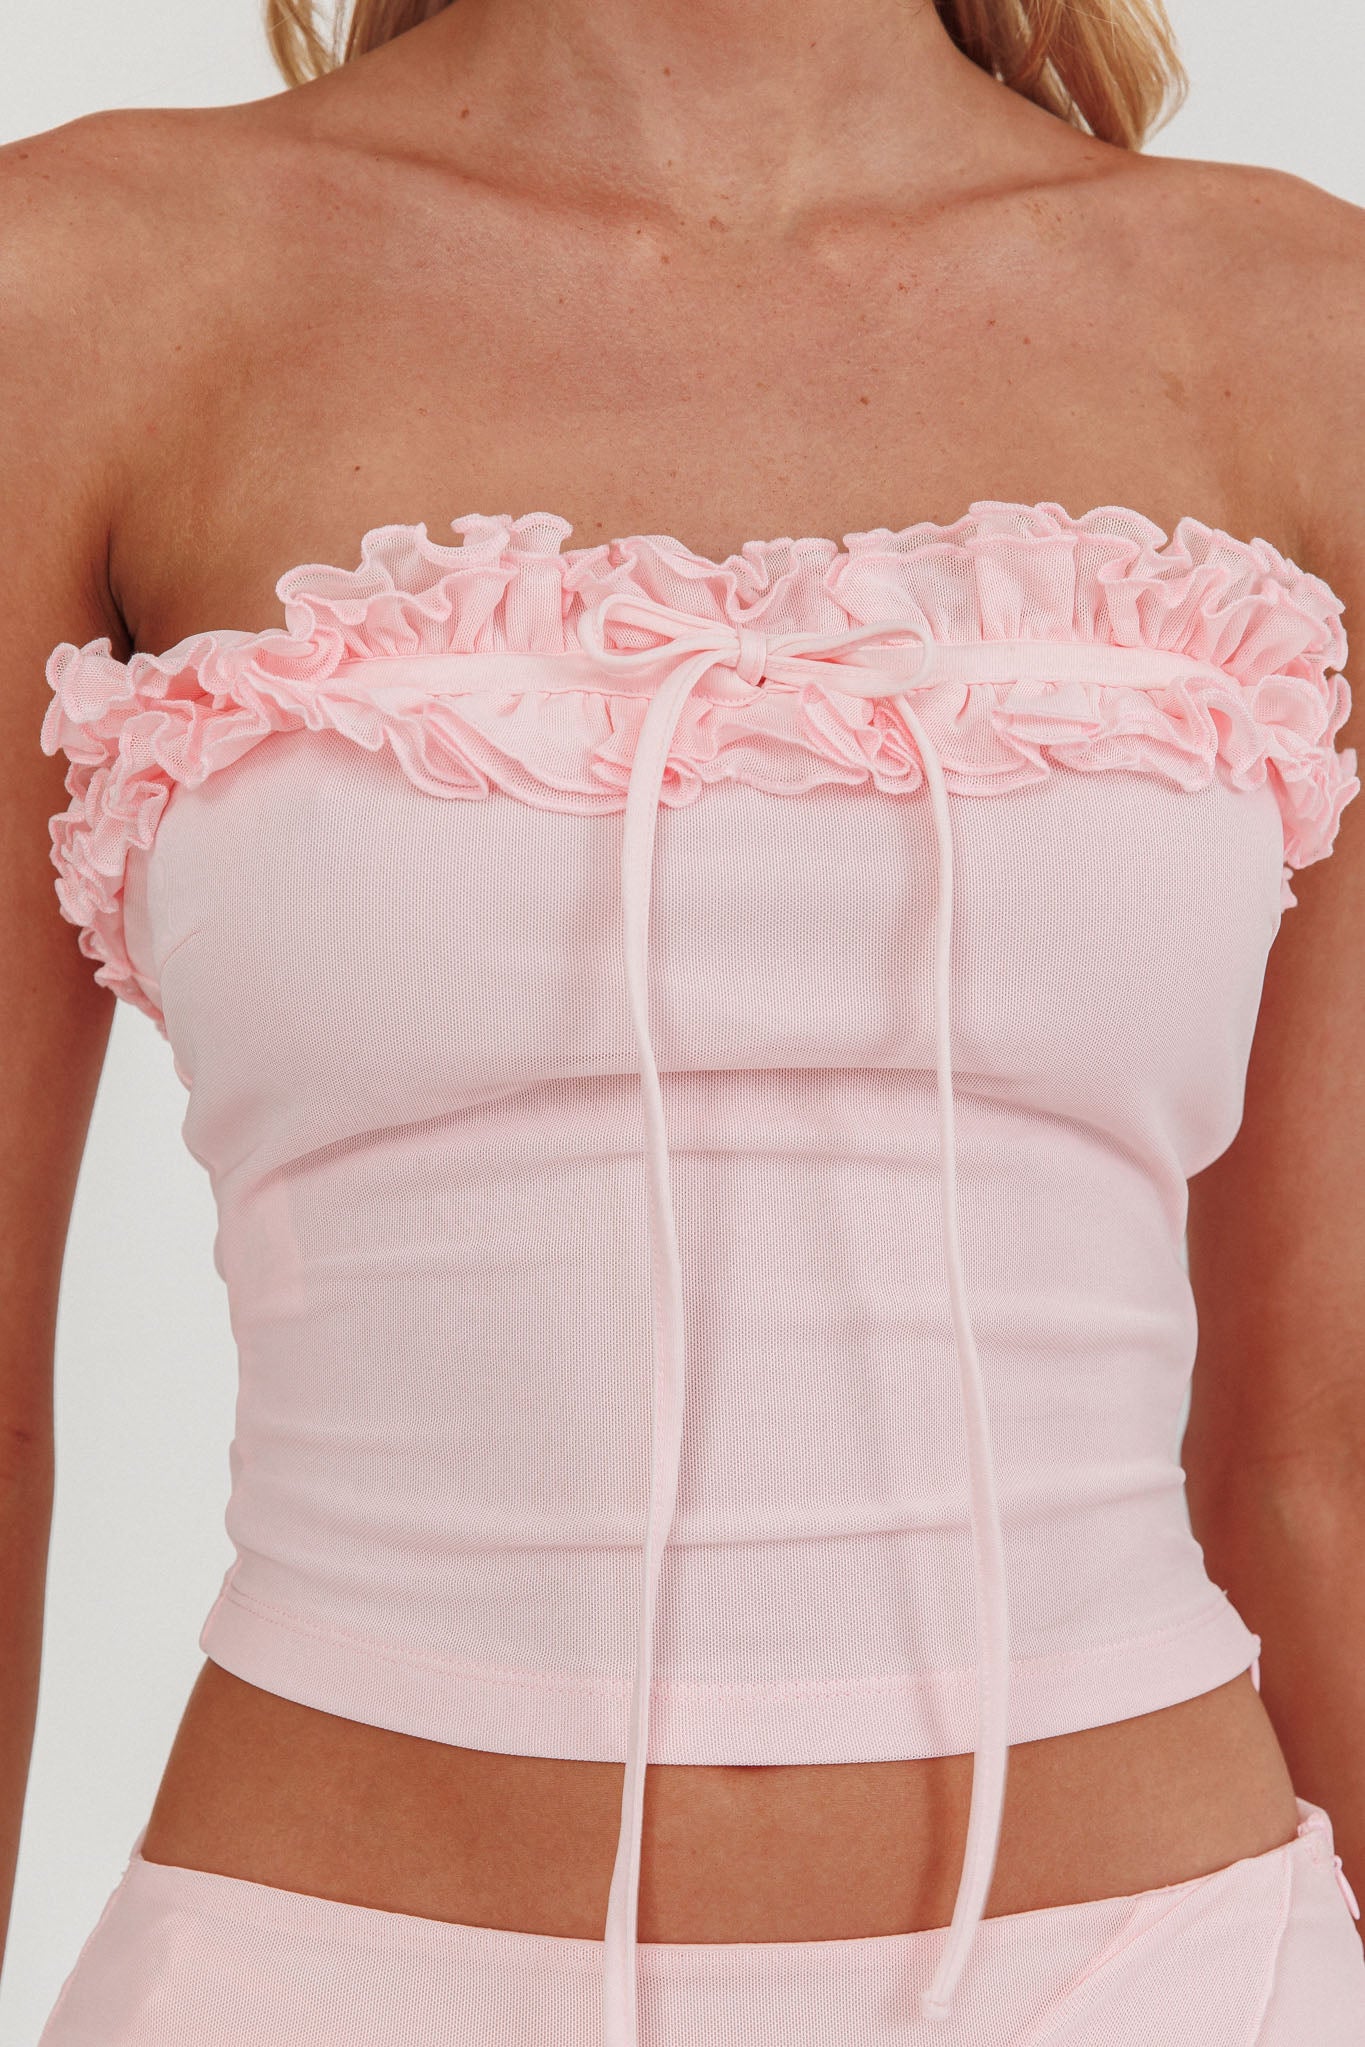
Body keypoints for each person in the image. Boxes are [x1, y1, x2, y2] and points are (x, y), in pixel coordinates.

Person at [4, 0, 1365, 2040]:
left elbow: (1317, 1455)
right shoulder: (78, 288)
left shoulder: (1305, 325)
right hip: (318, 1981)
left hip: (1165, 1977)